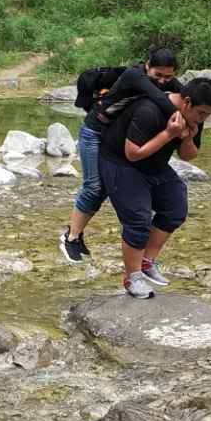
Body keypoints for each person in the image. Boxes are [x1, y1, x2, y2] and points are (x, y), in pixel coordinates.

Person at [98, 76, 211, 297]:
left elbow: (189, 156)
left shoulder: (195, 117)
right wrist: (169, 134)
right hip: (120, 164)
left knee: (175, 207)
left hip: (154, 164)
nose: (204, 119)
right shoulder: (149, 111)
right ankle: (132, 277)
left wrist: (186, 138)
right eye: (202, 113)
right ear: (186, 102)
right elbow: (132, 154)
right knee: (138, 220)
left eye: (208, 115)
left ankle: (146, 262)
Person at [59, 47, 179, 264]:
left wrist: (198, 101)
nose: (162, 81)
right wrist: (182, 119)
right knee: (94, 186)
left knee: (110, 186)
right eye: (158, 75)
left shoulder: (165, 79)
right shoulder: (135, 75)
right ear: (147, 66)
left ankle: (79, 236)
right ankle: (70, 237)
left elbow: (186, 93)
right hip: (94, 132)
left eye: (168, 77)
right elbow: (160, 99)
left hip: (113, 136)